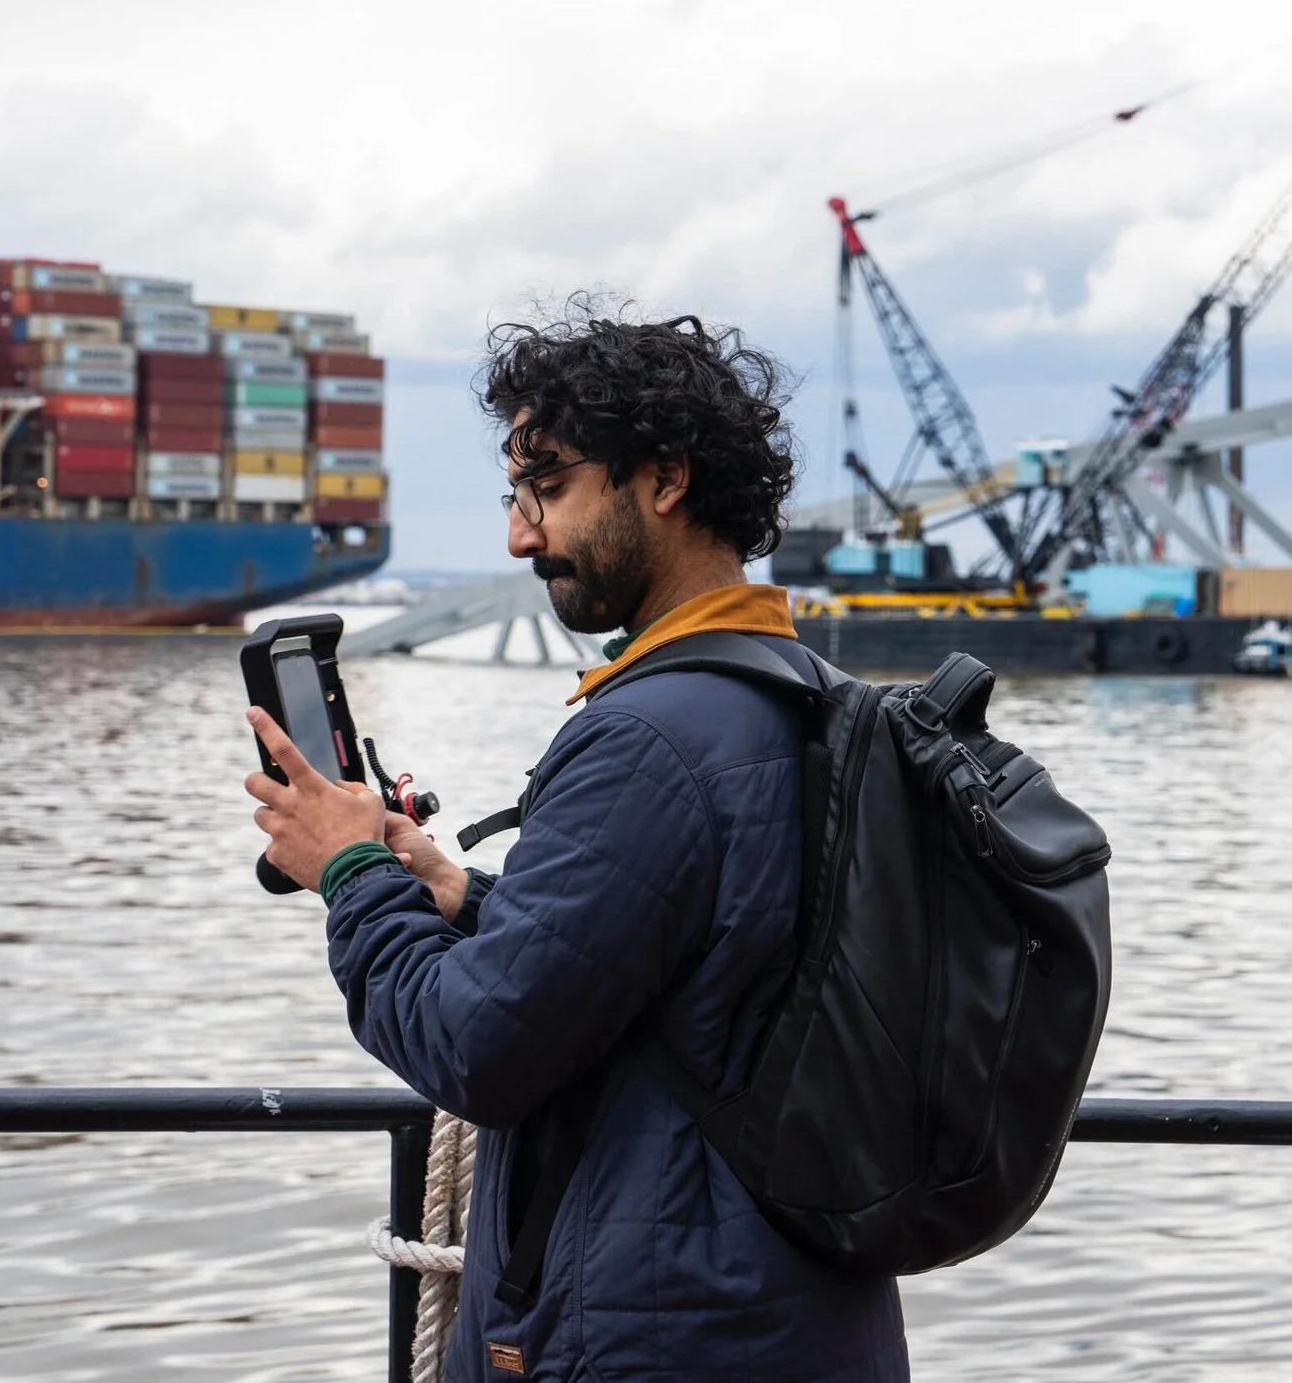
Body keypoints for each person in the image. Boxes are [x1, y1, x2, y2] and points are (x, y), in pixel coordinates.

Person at [243, 303, 908, 1382]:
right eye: (517, 495)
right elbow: (696, 970)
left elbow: (476, 1048)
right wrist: (458, 892)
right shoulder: (807, 696)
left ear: (664, 477)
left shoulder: (648, 737)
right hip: (787, 1314)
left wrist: (354, 868)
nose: (518, 534)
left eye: (547, 489)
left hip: (650, 1338)